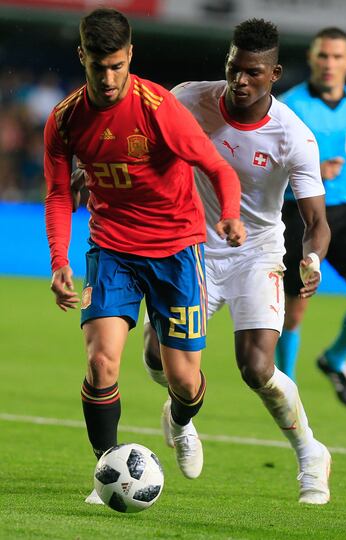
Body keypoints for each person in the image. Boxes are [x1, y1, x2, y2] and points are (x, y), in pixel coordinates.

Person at [44, 8, 246, 505]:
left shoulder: (159, 109)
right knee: (101, 362)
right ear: (82, 58)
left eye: (117, 65)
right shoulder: (66, 119)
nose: (109, 78)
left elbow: (218, 169)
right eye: (98, 66)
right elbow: (56, 194)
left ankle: (178, 422)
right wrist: (58, 260)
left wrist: (231, 214)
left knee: (182, 379)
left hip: (176, 251)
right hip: (112, 249)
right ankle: (106, 467)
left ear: (130, 55)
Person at [142, 18, 333, 505]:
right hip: (190, 249)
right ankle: (183, 419)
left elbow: (317, 221)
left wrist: (311, 258)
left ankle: (310, 452)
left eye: (252, 72)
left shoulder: (294, 136)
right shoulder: (188, 98)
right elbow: (139, 136)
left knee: (255, 366)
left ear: (274, 74)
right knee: (153, 360)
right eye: (233, 69)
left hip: (256, 252)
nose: (239, 81)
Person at [277, 27, 346, 406]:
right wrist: (312, 171)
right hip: (302, 213)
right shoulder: (289, 106)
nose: (329, 63)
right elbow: (265, 166)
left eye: (336, 56)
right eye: (322, 55)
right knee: (295, 310)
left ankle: (335, 358)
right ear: (311, 58)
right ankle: (285, 391)